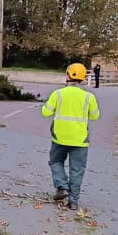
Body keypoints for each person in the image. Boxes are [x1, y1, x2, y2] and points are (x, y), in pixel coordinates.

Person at [40, 63, 101, 210]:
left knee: (55, 161)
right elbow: (95, 116)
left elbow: (45, 112)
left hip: (59, 138)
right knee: (77, 169)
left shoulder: (58, 94)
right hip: (80, 140)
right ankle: (73, 201)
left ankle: (62, 187)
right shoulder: (89, 97)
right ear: (83, 78)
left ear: (67, 76)